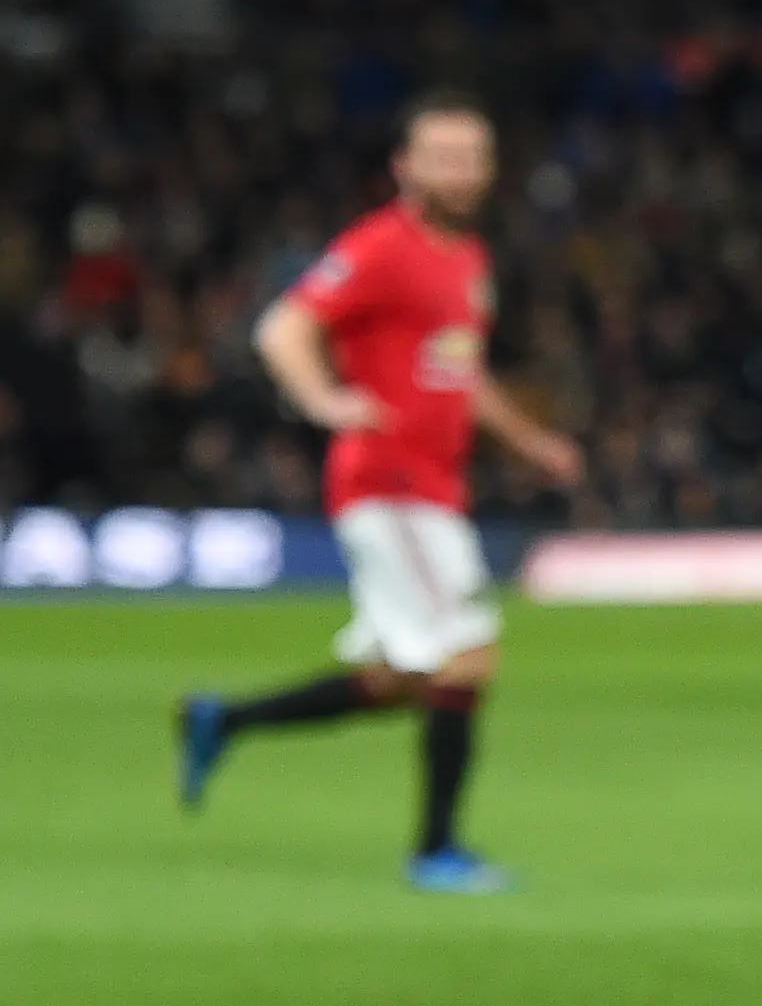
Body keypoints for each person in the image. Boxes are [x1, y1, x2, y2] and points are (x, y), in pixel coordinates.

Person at [176, 94, 584, 891]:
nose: (460, 171)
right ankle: (436, 851)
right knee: (466, 656)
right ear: (405, 167)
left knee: (405, 677)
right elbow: (281, 329)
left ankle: (224, 719)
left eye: (473, 156)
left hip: (435, 488)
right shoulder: (380, 247)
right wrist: (326, 401)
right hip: (390, 483)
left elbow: (460, 375)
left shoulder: (465, 261)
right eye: (443, 155)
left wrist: (530, 442)